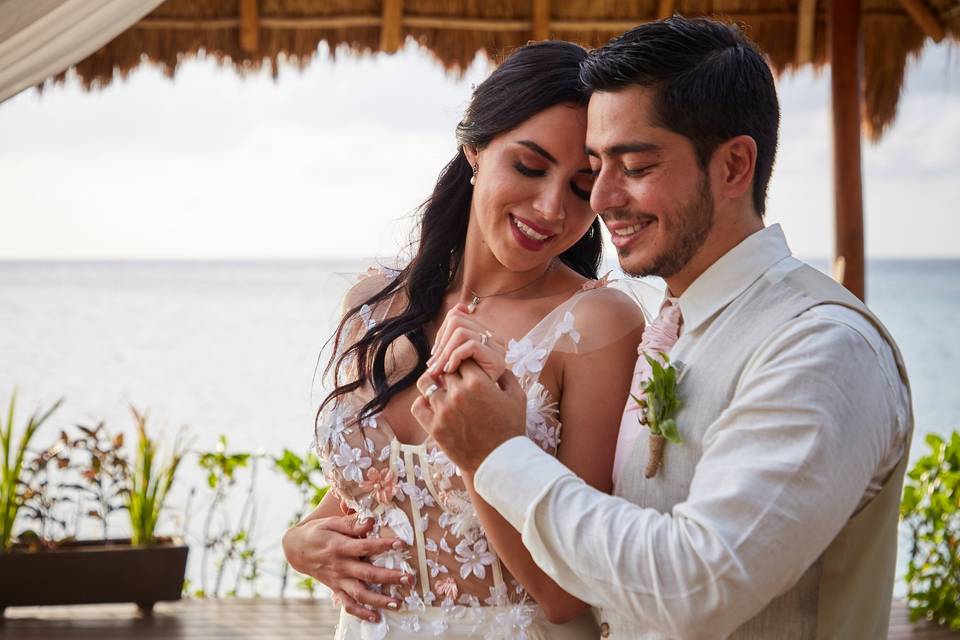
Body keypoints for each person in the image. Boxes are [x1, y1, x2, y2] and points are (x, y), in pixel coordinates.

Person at [413, 16, 913, 640]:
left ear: (734, 167)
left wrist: (499, 453)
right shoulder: (676, 323)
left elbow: (696, 586)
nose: (599, 201)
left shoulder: (822, 348)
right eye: (599, 167)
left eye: (637, 166)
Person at [282, 40, 646, 639]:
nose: (551, 207)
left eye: (582, 187)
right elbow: (386, 495)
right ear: (474, 148)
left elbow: (570, 593)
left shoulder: (596, 325)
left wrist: (485, 455)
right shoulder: (372, 305)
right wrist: (299, 542)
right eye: (529, 167)